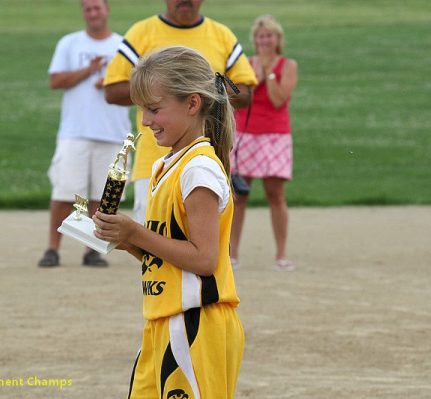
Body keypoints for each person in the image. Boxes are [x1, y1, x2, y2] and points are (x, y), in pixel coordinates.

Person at [93, 46, 243, 399]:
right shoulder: (167, 165)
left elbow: (204, 260)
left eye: (154, 109)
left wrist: (136, 232)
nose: (144, 120)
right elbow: (167, 257)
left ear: (192, 104)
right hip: (163, 322)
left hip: (195, 325)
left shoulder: (198, 169)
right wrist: (124, 238)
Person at [103, 0, 257, 225]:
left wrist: (193, 90)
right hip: (153, 161)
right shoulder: (142, 32)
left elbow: (245, 92)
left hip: (206, 156)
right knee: (156, 245)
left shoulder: (222, 35)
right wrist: (165, 90)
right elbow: (112, 91)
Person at [38, 0, 131, 268]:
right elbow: (55, 81)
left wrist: (110, 83)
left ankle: (93, 249)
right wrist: (88, 71)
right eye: (88, 9)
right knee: (65, 192)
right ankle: (52, 249)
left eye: (97, 8)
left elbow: (136, 82)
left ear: (107, 10)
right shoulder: (70, 43)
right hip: (75, 131)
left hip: (113, 131)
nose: (93, 13)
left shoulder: (123, 44)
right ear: (83, 13)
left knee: (103, 198)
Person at [229, 15, 298, 271]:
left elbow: (280, 99)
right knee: (239, 196)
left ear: (278, 38)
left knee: (275, 194)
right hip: (245, 133)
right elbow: (237, 97)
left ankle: (281, 254)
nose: (265, 40)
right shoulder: (245, 64)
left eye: (269, 35)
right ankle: (232, 252)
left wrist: (267, 73)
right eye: (260, 36)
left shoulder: (287, 65)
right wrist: (253, 77)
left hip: (275, 135)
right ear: (254, 40)